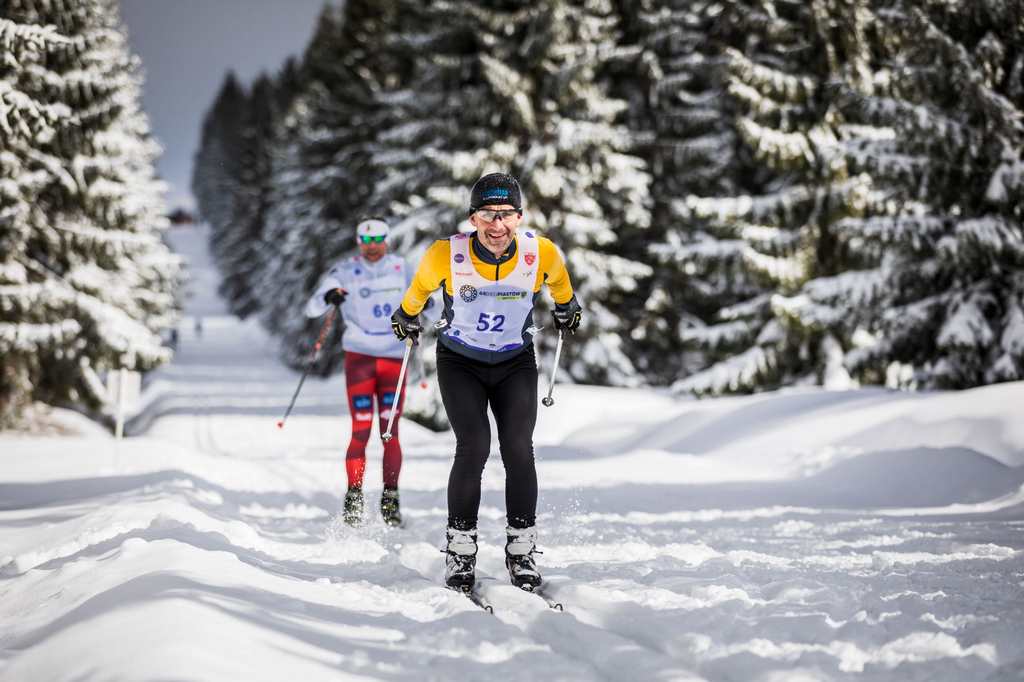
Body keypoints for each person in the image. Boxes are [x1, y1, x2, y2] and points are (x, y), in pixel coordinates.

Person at [390, 173, 583, 590]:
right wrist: (405, 316)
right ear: (472, 219)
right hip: (461, 361)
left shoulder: (540, 253)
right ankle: (460, 550)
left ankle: (522, 550)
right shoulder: (446, 255)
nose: (498, 226)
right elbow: (418, 293)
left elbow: (563, 288)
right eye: (488, 215)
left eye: (506, 215)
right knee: (474, 445)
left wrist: (568, 309)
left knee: (518, 448)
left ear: (519, 216)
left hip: (515, 361)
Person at [306, 217, 412, 527]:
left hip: (393, 358)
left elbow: (429, 301)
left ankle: (390, 498)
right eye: (366, 240)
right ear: (358, 242)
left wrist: (430, 315)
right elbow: (312, 307)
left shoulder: (402, 268)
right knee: (361, 429)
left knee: (389, 432)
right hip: (360, 358)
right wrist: (329, 297)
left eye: (378, 239)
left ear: (387, 239)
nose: (372, 246)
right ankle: (354, 495)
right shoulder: (345, 270)